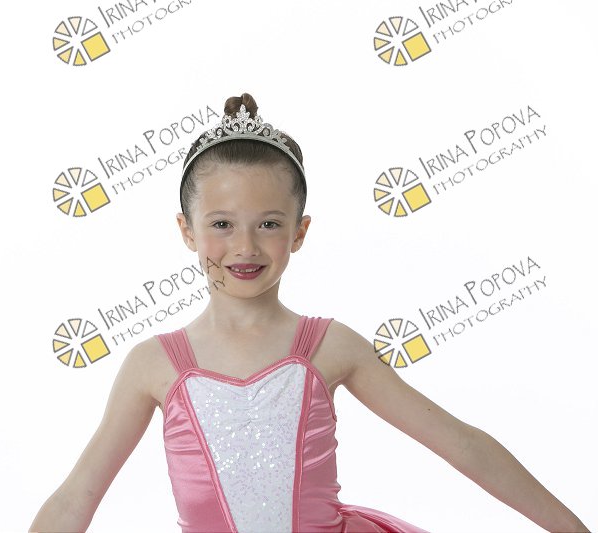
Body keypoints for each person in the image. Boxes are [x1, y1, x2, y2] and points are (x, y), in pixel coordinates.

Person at [29, 93, 589, 533]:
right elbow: (78, 496)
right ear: (187, 230)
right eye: (222, 224)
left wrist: (572, 529)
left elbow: (460, 443)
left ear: (299, 232)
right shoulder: (153, 365)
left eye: (269, 224)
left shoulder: (330, 347)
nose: (245, 246)